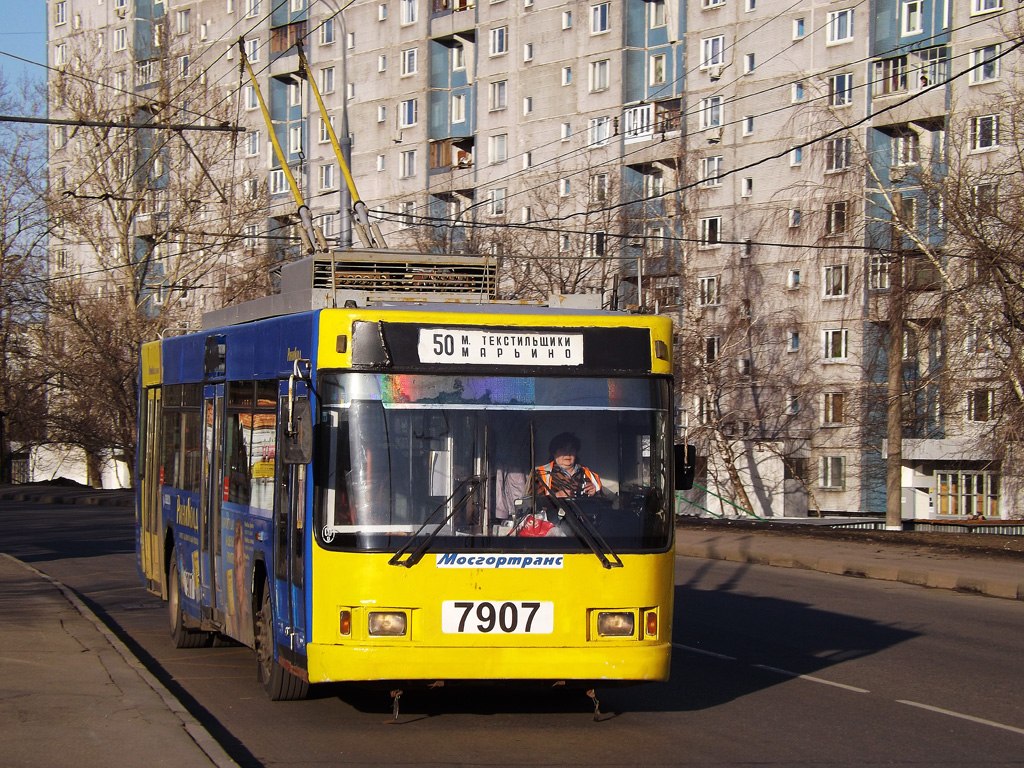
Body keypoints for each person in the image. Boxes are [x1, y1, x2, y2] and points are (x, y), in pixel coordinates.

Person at [534, 432, 602, 499]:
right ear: (554, 452)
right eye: (563, 449)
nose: (568, 453)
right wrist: (555, 496)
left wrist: (595, 493)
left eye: (571, 449)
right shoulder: (540, 474)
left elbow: (604, 503)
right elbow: (529, 503)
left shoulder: (591, 475)